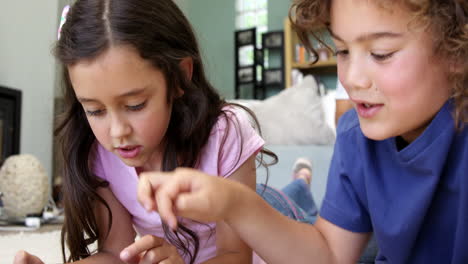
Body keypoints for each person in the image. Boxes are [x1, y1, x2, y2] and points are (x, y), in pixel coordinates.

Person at [135, 0, 468, 263]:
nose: (351, 78)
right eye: (342, 51)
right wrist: (231, 201)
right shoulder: (355, 136)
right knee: (273, 201)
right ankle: (301, 181)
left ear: (457, 50)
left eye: (381, 54)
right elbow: (329, 255)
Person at [13, 0, 277, 263]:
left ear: (180, 78)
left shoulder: (226, 133)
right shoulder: (99, 154)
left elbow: (235, 256)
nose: (118, 132)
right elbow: (115, 253)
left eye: (135, 105)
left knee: (295, 210)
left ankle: (301, 180)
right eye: (95, 110)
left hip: (266, 223)